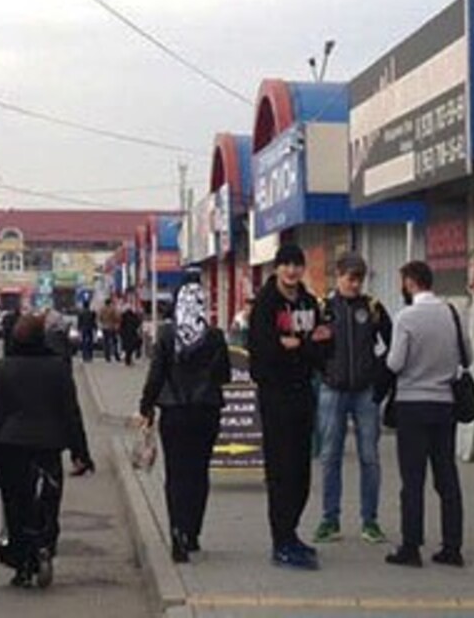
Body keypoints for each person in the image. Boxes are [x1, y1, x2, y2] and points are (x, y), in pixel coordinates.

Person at [0, 314, 93, 588]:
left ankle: (22, 563)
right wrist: (81, 452)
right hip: (48, 446)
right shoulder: (57, 368)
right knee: (48, 503)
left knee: (16, 506)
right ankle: (44, 546)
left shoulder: (4, 368)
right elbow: (71, 413)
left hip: (10, 448)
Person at [247, 243, 329, 570]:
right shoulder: (266, 305)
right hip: (275, 396)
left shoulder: (309, 302)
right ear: (277, 268)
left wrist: (298, 344)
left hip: (304, 393)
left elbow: (324, 348)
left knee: (302, 471)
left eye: (297, 265)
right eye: (286, 265)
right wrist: (297, 346)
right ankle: (280, 541)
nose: (292, 271)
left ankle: (292, 533)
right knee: (281, 471)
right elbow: (263, 352)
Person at [383, 261, 469, 569]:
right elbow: (467, 356)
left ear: (409, 282)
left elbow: (395, 363)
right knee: (447, 477)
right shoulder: (451, 313)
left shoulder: (406, 317)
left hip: (411, 405)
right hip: (445, 405)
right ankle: (453, 546)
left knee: (413, 478)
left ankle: (411, 546)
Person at [139, 281, 230, 563]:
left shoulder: (167, 335)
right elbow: (224, 375)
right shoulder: (214, 336)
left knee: (176, 474)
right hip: (206, 412)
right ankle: (192, 533)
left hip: (174, 412)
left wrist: (146, 407)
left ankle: (176, 531)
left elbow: (156, 375)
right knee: (199, 472)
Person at [312, 253, 393, 546]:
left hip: (364, 392)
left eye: (360, 278)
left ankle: (370, 521)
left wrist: (377, 371)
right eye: (350, 277)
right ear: (338, 276)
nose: (355, 283)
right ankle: (329, 519)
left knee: (369, 457)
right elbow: (311, 344)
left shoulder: (372, 308)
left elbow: (393, 343)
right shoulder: (323, 308)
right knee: (330, 455)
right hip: (332, 390)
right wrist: (324, 369)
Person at [120, 302, 143, 367]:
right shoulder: (133, 316)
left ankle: (127, 360)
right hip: (132, 333)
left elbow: (121, 325)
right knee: (131, 347)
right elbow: (137, 323)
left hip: (125, 334)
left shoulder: (123, 317)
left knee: (127, 348)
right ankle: (129, 360)